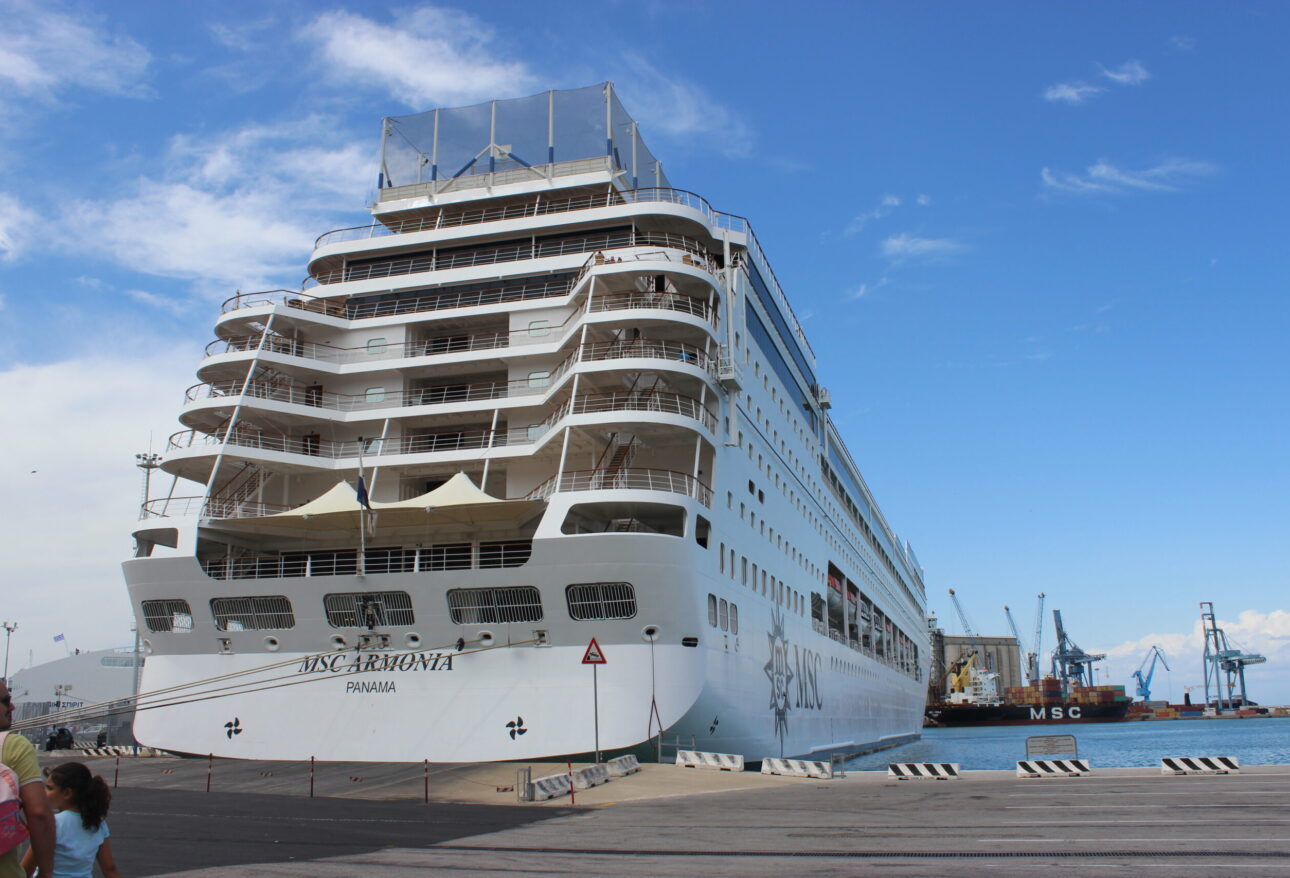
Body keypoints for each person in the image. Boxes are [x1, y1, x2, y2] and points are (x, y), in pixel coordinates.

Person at [20, 762, 120, 878]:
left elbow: (26, 869)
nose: (44, 792)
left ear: (67, 793)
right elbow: (110, 868)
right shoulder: (98, 824)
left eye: (49, 788)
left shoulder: (52, 824)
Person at [0, 679, 54, 878]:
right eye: (5, 701)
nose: (12, 706)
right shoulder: (12, 746)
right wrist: (46, 872)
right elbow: (39, 813)